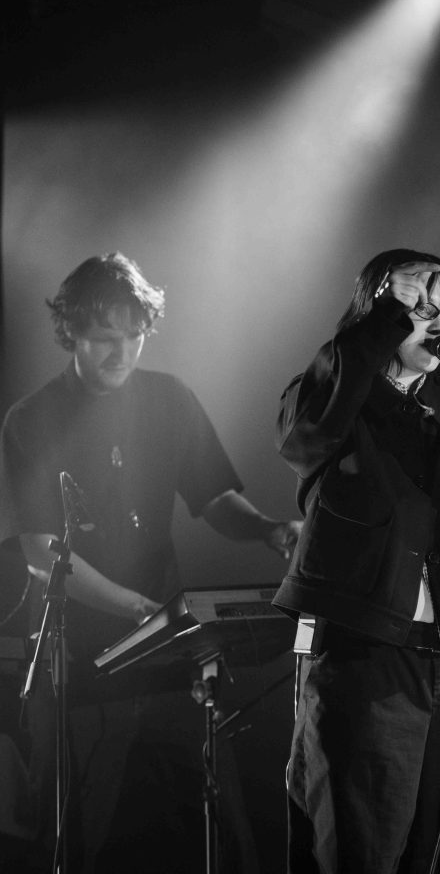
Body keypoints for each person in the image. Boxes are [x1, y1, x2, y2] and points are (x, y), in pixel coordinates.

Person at [0, 251, 300, 874]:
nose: (121, 353)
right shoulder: (31, 419)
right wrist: (135, 608)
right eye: (103, 338)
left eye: (133, 336)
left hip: (169, 656)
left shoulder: (170, 399)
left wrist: (270, 530)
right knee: (68, 839)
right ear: (70, 332)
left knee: (219, 830)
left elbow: (213, 499)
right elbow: (40, 549)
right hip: (79, 665)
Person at [273, 248, 440, 874]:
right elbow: (303, 437)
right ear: (380, 314)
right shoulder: (335, 396)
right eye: (418, 308)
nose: (436, 322)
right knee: (361, 847)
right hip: (368, 653)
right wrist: (385, 319)